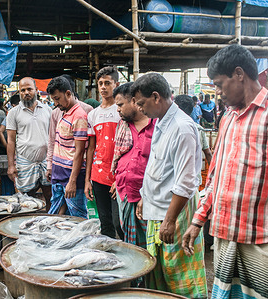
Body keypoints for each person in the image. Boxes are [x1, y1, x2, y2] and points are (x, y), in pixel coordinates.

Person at [182, 44, 268, 299]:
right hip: (225, 234)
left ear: (239, 74)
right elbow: (216, 176)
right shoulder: (227, 117)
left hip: (263, 239)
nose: (218, 92)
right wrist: (198, 220)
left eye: (220, 84)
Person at [134, 73, 207, 298]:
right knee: (160, 272)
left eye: (141, 103)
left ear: (156, 97)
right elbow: (158, 167)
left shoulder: (182, 127)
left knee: (181, 276)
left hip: (175, 214)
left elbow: (185, 182)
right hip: (158, 211)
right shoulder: (160, 122)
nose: (139, 108)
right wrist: (145, 197)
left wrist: (169, 220)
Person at [110, 82, 155, 249]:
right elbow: (122, 156)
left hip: (147, 194)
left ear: (134, 101)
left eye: (121, 104)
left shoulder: (156, 125)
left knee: (146, 243)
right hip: (124, 190)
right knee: (124, 235)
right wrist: (119, 178)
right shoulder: (123, 126)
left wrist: (146, 194)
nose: (118, 109)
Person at [84, 66, 123, 239]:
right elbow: (91, 148)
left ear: (117, 84)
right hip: (98, 175)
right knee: (105, 222)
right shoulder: (93, 114)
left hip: (119, 175)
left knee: (119, 222)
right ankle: (109, 257)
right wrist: (87, 180)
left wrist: (121, 176)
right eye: (100, 83)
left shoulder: (122, 111)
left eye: (107, 83)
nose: (103, 87)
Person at [47, 76, 93, 215]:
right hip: (59, 173)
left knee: (77, 218)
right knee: (57, 216)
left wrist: (72, 181)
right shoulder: (63, 112)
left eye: (57, 98)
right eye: (54, 99)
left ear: (68, 93)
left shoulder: (79, 116)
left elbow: (80, 152)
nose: (55, 103)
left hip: (71, 176)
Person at [6, 77, 53, 208]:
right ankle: (27, 225)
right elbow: (10, 140)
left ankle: (49, 222)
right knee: (27, 198)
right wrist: (11, 166)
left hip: (45, 160)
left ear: (36, 90)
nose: (26, 92)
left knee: (49, 195)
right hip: (25, 162)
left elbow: (52, 136)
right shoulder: (13, 113)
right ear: (19, 92)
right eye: (23, 90)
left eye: (29, 89)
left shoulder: (48, 110)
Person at [175, 95, 213, 166]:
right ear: (192, 109)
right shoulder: (199, 129)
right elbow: (208, 153)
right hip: (195, 175)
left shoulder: (172, 128)